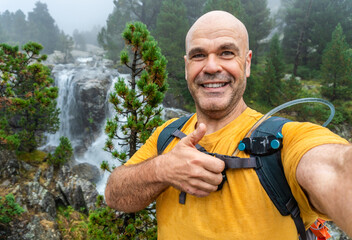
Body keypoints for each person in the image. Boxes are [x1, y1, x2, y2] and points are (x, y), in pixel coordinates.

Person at [105, 10, 352, 239]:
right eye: (198, 55)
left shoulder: (287, 139)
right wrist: (162, 169)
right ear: (186, 64)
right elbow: (114, 195)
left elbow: (338, 170)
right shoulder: (167, 135)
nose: (211, 67)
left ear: (247, 62)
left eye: (226, 53)